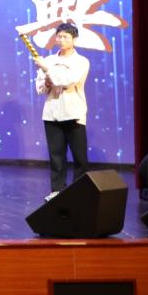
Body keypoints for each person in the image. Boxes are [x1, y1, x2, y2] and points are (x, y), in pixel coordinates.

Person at [34, 22, 92, 194]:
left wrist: (47, 70)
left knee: (80, 157)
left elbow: (68, 80)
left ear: (74, 39)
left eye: (66, 37)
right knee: (56, 157)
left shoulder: (81, 61)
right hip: (51, 114)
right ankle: (57, 191)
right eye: (59, 36)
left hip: (73, 113)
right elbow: (40, 88)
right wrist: (46, 81)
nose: (61, 40)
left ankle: (78, 193)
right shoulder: (49, 60)